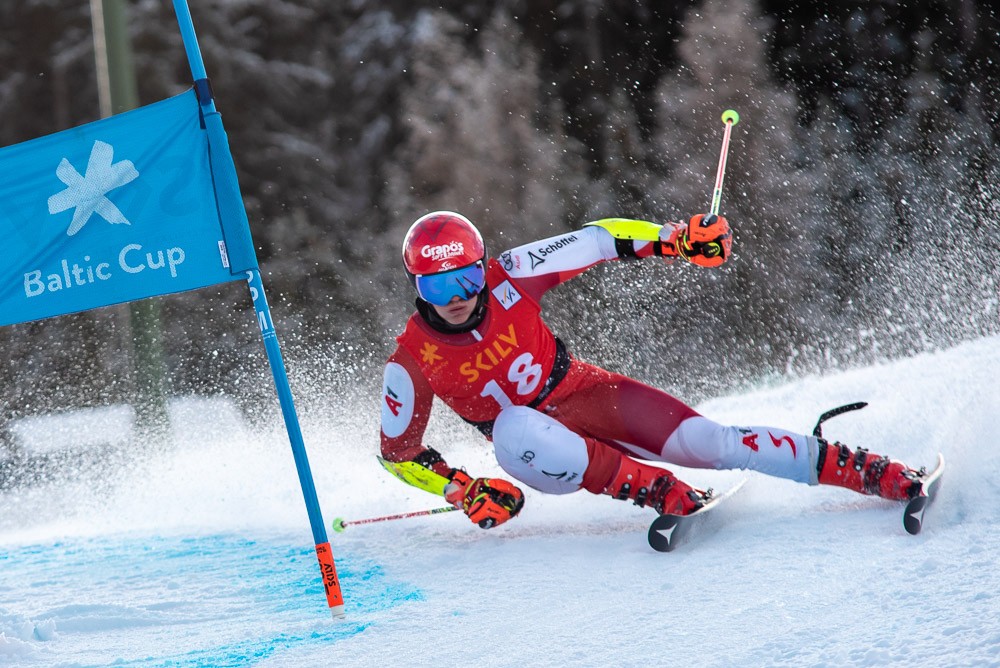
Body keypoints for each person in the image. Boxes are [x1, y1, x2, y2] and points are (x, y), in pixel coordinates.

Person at [380, 210, 926, 529]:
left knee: (711, 442)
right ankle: (659, 489)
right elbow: (397, 454)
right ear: (416, 288)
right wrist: (463, 488)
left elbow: (597, 239)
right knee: (515, 426)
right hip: (536, 452)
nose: (457, 297)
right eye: (437, 287)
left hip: (584, 393)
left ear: (484, 268)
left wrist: (677, 241)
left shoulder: (513, 273)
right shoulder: (411, 359)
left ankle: (865, 469)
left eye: (467, 278)